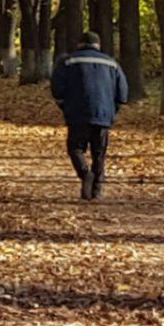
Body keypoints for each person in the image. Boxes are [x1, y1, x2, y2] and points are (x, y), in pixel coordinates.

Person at [49, 32, 126, 200]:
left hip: (76, 113)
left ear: (80, 44)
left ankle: (85, 174)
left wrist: (64, 105)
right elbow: (122, 93)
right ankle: (97, 189)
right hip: (103, 114)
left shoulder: (68, 61)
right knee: (99, 152)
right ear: (98, 45)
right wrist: (113, 109)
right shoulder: (111, 63)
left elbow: (57, 87)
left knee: (75, 148)